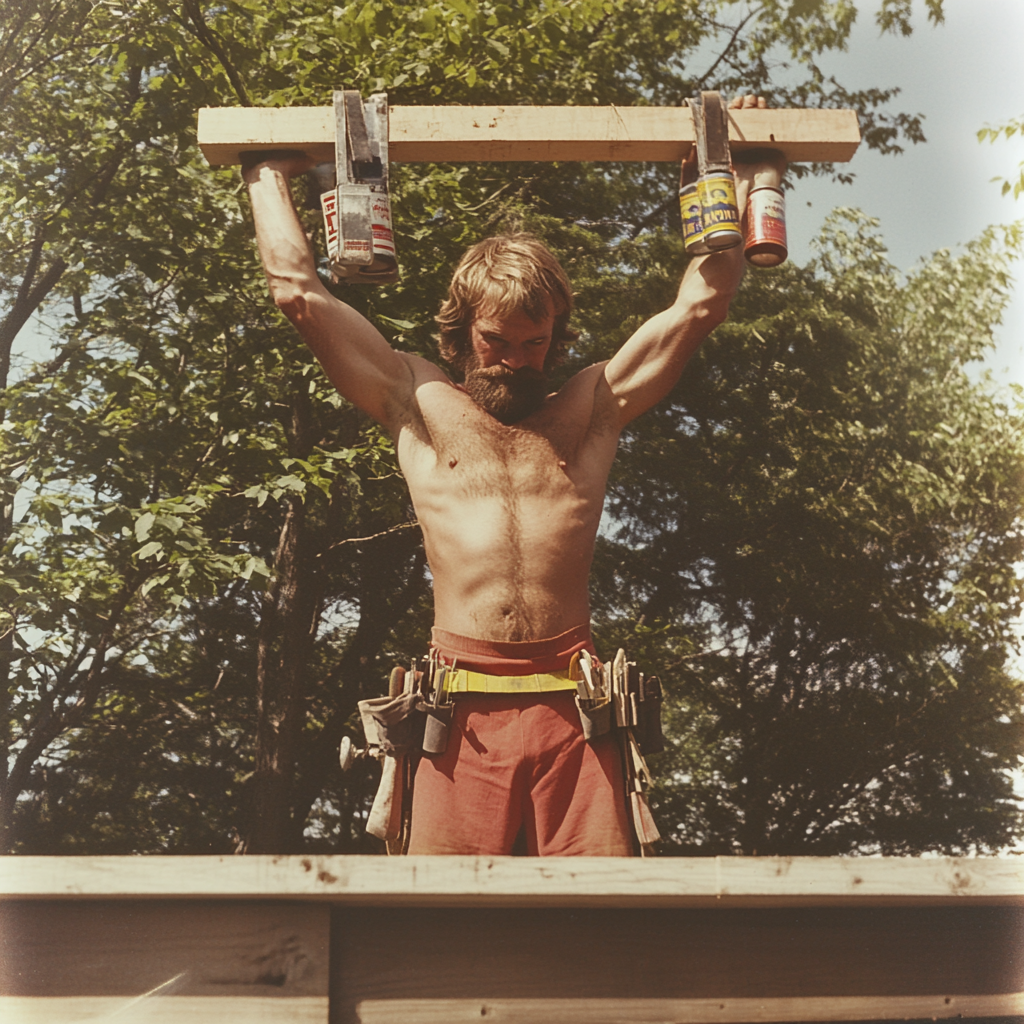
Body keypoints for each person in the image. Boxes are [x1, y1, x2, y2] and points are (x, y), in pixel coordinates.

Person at [243, 95, 772, 857]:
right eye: (497, 340)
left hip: (578, 714)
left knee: (604, 931)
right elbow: (298, 294)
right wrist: (266, 169)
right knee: (442, 939)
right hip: (457, 717)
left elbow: (701, 303)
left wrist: (735, 166)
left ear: (556, 336)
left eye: (535, 342)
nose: (516, 359)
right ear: (463, 329)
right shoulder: (417, 401)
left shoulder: (593, 405)